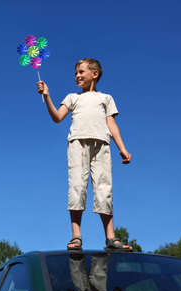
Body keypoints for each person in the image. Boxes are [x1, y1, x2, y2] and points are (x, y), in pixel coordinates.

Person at [36, 58, 132, 251]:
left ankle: (111, 237)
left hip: (102, 145)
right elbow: (57, 118)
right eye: (76, 73)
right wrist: (47, 96)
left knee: (104, 189)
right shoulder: (73, 97)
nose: (77, 76)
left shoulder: (106, 98)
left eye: (81, 72)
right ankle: (76, 234)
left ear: (94, 74)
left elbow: (111, 124)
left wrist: (122, 147)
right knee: (77, 187)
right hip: (77, 144)